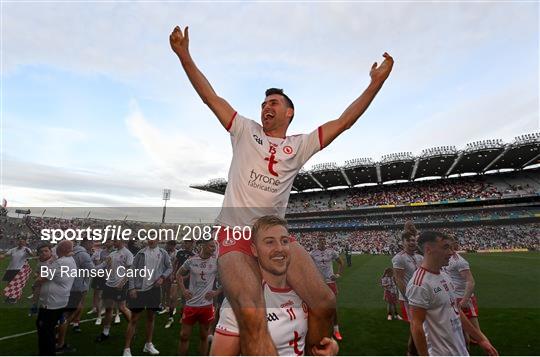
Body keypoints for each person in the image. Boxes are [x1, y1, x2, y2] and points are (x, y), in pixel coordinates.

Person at [170, 25, 394, 354]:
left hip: (274, 238)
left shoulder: (299, 145)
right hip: (235, 235)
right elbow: (211, 97)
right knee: (251, 311)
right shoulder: (244, 130)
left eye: (273, 102)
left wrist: (375, 84)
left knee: (324, 301)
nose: (265, 107)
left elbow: (344, 121)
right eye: (263, 103)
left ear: (289, 112)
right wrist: (185, 57)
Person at [211, 215, 339, 356]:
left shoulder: (304, 294)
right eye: (269, 242)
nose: (279, 248)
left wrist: (330, 347)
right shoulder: (240, 303)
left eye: (284, 241)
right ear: (254, 250)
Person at [406, 231, 498, 356]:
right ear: (428, 250)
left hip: (460, 351)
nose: (451, 252)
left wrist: (480, 339)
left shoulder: (445, 275)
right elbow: (416, 326)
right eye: (445, 247)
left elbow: (456, 310)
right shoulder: (420, 284)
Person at [123, 239, 172, 356]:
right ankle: (127, 348)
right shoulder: (140, 253)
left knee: (151, 317)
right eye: (149, 236)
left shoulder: (163, 253)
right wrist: (132, 287)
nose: (151, 239)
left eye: (154, 236)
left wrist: (162, 278)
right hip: (140, 290)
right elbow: (132, 271)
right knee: (134, 319)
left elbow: (169, 267)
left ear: (158, 239)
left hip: (154, 290)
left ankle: (148, 344)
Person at [177, 239, 220, 356]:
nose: (214, 249)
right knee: (184, 335)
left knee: (204, 336)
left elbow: (226, 280)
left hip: (206, 305)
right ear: (203, 246)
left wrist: (216, 292)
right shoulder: (191, 261)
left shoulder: (216, 262)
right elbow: (178, 274)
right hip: (191, 304)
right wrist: (183, 290)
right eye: (211, 246)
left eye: (214, 247)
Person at [35, 240, 76, 355]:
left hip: (51, 303)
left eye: (57, 248)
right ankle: (50, 350)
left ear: (61, 250)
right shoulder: (68, 259)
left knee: (45, 330)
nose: (55, 250)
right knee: (46, 328)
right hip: (58, 301)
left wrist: (37, 279)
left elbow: (41, 279)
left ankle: (47, 353)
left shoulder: (60, 263)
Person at [56, 239, 96, 353]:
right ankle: (59, 341)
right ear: (87, 243)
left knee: (67, 310)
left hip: (66, 285)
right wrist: (104, 264)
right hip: (77, 287)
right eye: (92, 242)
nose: (93, 245)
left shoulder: (71, 253)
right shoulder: (83, 254)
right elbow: (93, 271)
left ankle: (62, 332)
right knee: (69, 314)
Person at [444, 237, 481, 347]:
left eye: (450, 244)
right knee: (459, 331)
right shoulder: (445, 259)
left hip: (463, 298)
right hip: (453, 297)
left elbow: (471, 282)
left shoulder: (459, 261)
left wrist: (464, 300)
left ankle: (489, 351)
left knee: (476, 332)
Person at [392, 230, 423, 355]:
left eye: (414, 240)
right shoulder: (399, 258)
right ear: (402, 242)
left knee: (420, 326)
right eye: (409, 240)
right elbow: (398, 279)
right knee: (416, 326)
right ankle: (411, 352)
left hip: (421, 297)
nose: (412, 242)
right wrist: (408, 297)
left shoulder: (419, 257)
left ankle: (417, 350)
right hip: (408, 299)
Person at [95, 240, 133, 342]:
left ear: (122, 241)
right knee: (108, 308)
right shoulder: (112, 253)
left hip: (120, 284)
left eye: (115, 241)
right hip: (109, 284)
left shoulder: (127, 253)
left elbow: (130, 271)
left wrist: (121, 283)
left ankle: (133, 327)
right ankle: (105, 333)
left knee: (122, 307)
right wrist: (92, 269)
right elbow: (103, 264)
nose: (113, 243)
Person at [310, 237, 345, 341]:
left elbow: (341, 262)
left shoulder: (331, 251)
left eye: (324, 240)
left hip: (330, 282)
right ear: (317, 242)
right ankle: (322, 330)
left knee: (332, 307)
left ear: (326, 241)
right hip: (318, 284)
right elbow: (306, 266)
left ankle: (336, 330)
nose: (322, 242)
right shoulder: (312, 253)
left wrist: (338, 274)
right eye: (320, 240)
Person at [165, 239, 195, 329]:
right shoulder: (180, 252)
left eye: (187, 242)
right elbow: (175, 263)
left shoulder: (194, 255)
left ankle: (182, 316)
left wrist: (185, 277)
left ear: (192, 244)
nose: (185, 244)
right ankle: (170, 317)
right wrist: (173, 274)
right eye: (185, 242)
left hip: (187, 280)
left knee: (184, 299)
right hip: (177, 278)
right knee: (172, 297)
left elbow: (193, 270)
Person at [1, 238, 33, 303]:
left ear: (24, 243)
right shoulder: (13, 249)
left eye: (22, 242)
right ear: (17, 242)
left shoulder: (26, 249)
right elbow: (6, 255)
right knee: (9, 284)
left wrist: (28, 252)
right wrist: (2, 256)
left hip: (20, 269)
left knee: (17, 284)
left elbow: (32, 255)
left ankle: (14, 299)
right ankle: (9, 297)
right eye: (20, 242)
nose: (21, 243)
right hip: (10, 268)